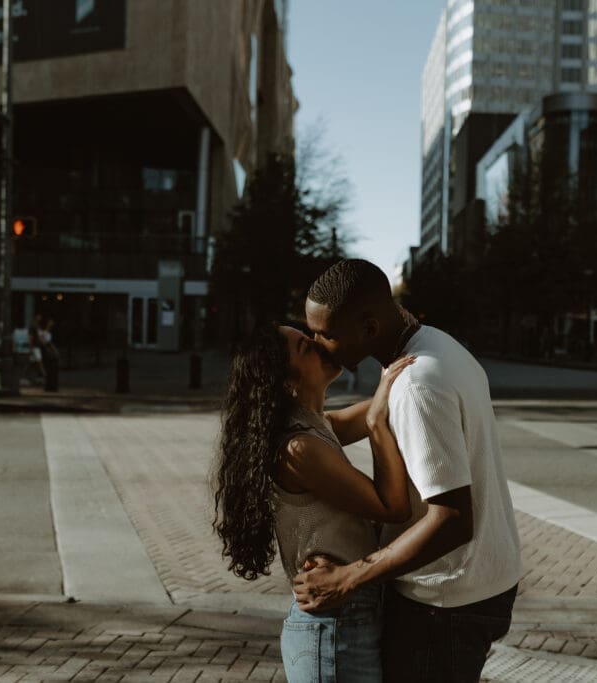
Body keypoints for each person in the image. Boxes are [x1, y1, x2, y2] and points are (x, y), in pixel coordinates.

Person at [296, 258, 522, 683]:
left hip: (444, 604)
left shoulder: (417, 384)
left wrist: (348, 579)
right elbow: (339, 425)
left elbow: (452, 520)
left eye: (325, 333)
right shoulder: (434, 347)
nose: (317, 343)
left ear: (368, 328)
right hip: (478, 585)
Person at [212, 321, 415, 682]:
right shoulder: (299, 449)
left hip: (344, 618)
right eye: (307, 347)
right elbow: (393, 506)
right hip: (335, 628)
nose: (322, 345)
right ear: (287, 382)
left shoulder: (315, 425)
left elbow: (391, 400)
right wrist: (377, 425)